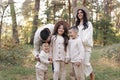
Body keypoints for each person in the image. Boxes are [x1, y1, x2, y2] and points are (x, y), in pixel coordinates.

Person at [73, 6, 95, 80]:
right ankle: (80, 77)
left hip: (86, 46)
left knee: (86, 63)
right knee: (80, 63)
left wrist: (81, 42)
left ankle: (91, 73)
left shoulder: (89, 24)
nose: (79, 14)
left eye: (81, 12)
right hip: (78, 48)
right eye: (78, 13)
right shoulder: (76, 25)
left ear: (84, 14)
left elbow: (88, 35)